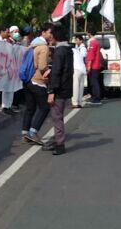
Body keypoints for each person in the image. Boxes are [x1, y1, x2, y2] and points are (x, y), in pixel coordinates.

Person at [22, 24, 52, 145]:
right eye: (50, 32)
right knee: (44, 107)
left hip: (27, 80)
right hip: (37, 81)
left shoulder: (32, 44)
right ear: (43, 32)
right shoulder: (43, 47)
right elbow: (42, 66)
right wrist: (49, 71)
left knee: (30, 107)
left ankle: (25, 133)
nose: (51, 35)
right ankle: (33, 132)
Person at [45, 24, 73, 155]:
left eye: (51, 34)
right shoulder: (68, 49)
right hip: (66, 86)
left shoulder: (59, 51)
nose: (49, 37)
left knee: (57, 117)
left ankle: (60, 144)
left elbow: (57, 72)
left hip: (59, 88)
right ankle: (57, 141)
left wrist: (51, 91)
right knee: (58, 116)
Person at [85, 34, 104, 105]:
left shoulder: (93, 43)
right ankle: (96, 97)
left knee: (94, 83)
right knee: (95, 82)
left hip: (94, 66)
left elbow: (91, 56)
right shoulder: (96, 42)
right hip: (96, 65)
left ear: (89, 34)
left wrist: (89, 66)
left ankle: (97, 99)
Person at [71, 34, 87, 108]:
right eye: (75, 40)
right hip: (82, 69)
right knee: (80, 86)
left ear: (81, 40)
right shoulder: (77, 48)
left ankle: (75, 102)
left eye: (77, 40)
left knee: (76, 86)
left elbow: (83, 56)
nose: (76, 41)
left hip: (77, 69)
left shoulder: (82, 48)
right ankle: (79, 102)